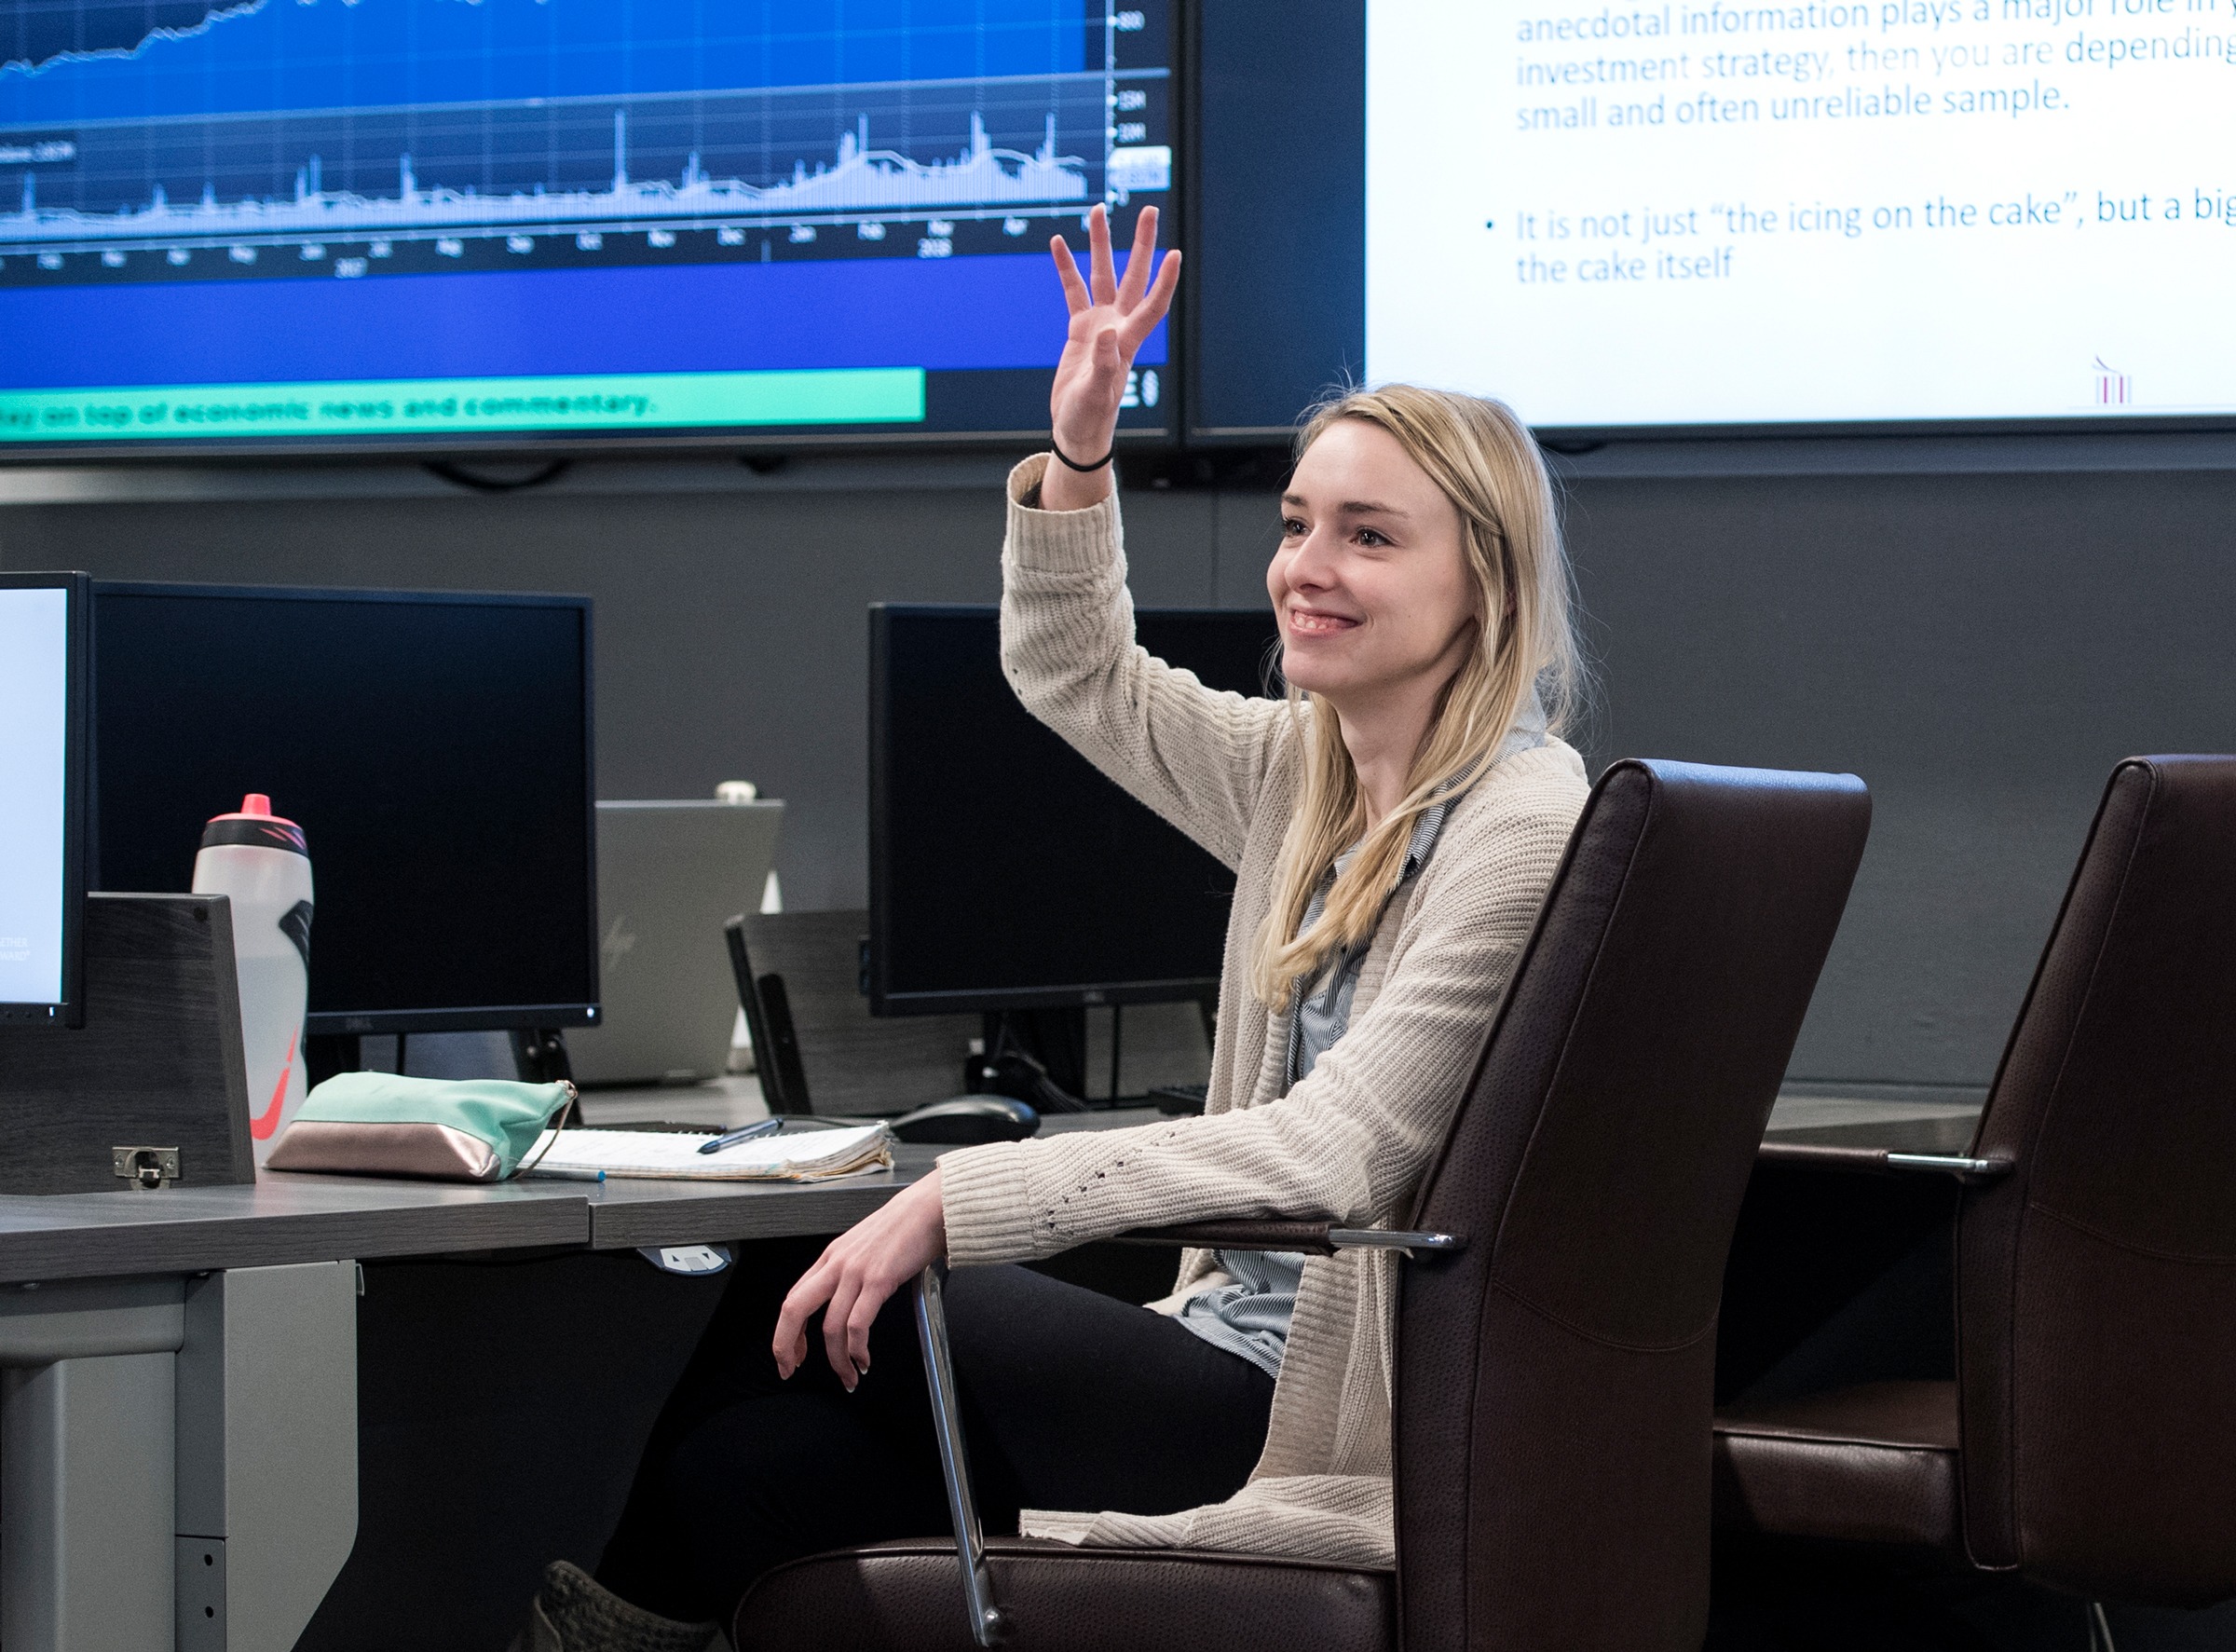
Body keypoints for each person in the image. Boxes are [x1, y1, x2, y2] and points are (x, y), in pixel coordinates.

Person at [511, 203, 1592, 1652]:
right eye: (1296, 523)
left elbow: (1335, 1151)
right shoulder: (1307, 773)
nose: (1306, 565)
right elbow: (1077, 670)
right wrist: (1082, 450)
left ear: (1486, 585)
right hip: (1207, 1350)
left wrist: (965, 1197)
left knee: (812, 1260)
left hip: (1308, 1424)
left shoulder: (1524, 813)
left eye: (1369, 536)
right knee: (747, 1475)